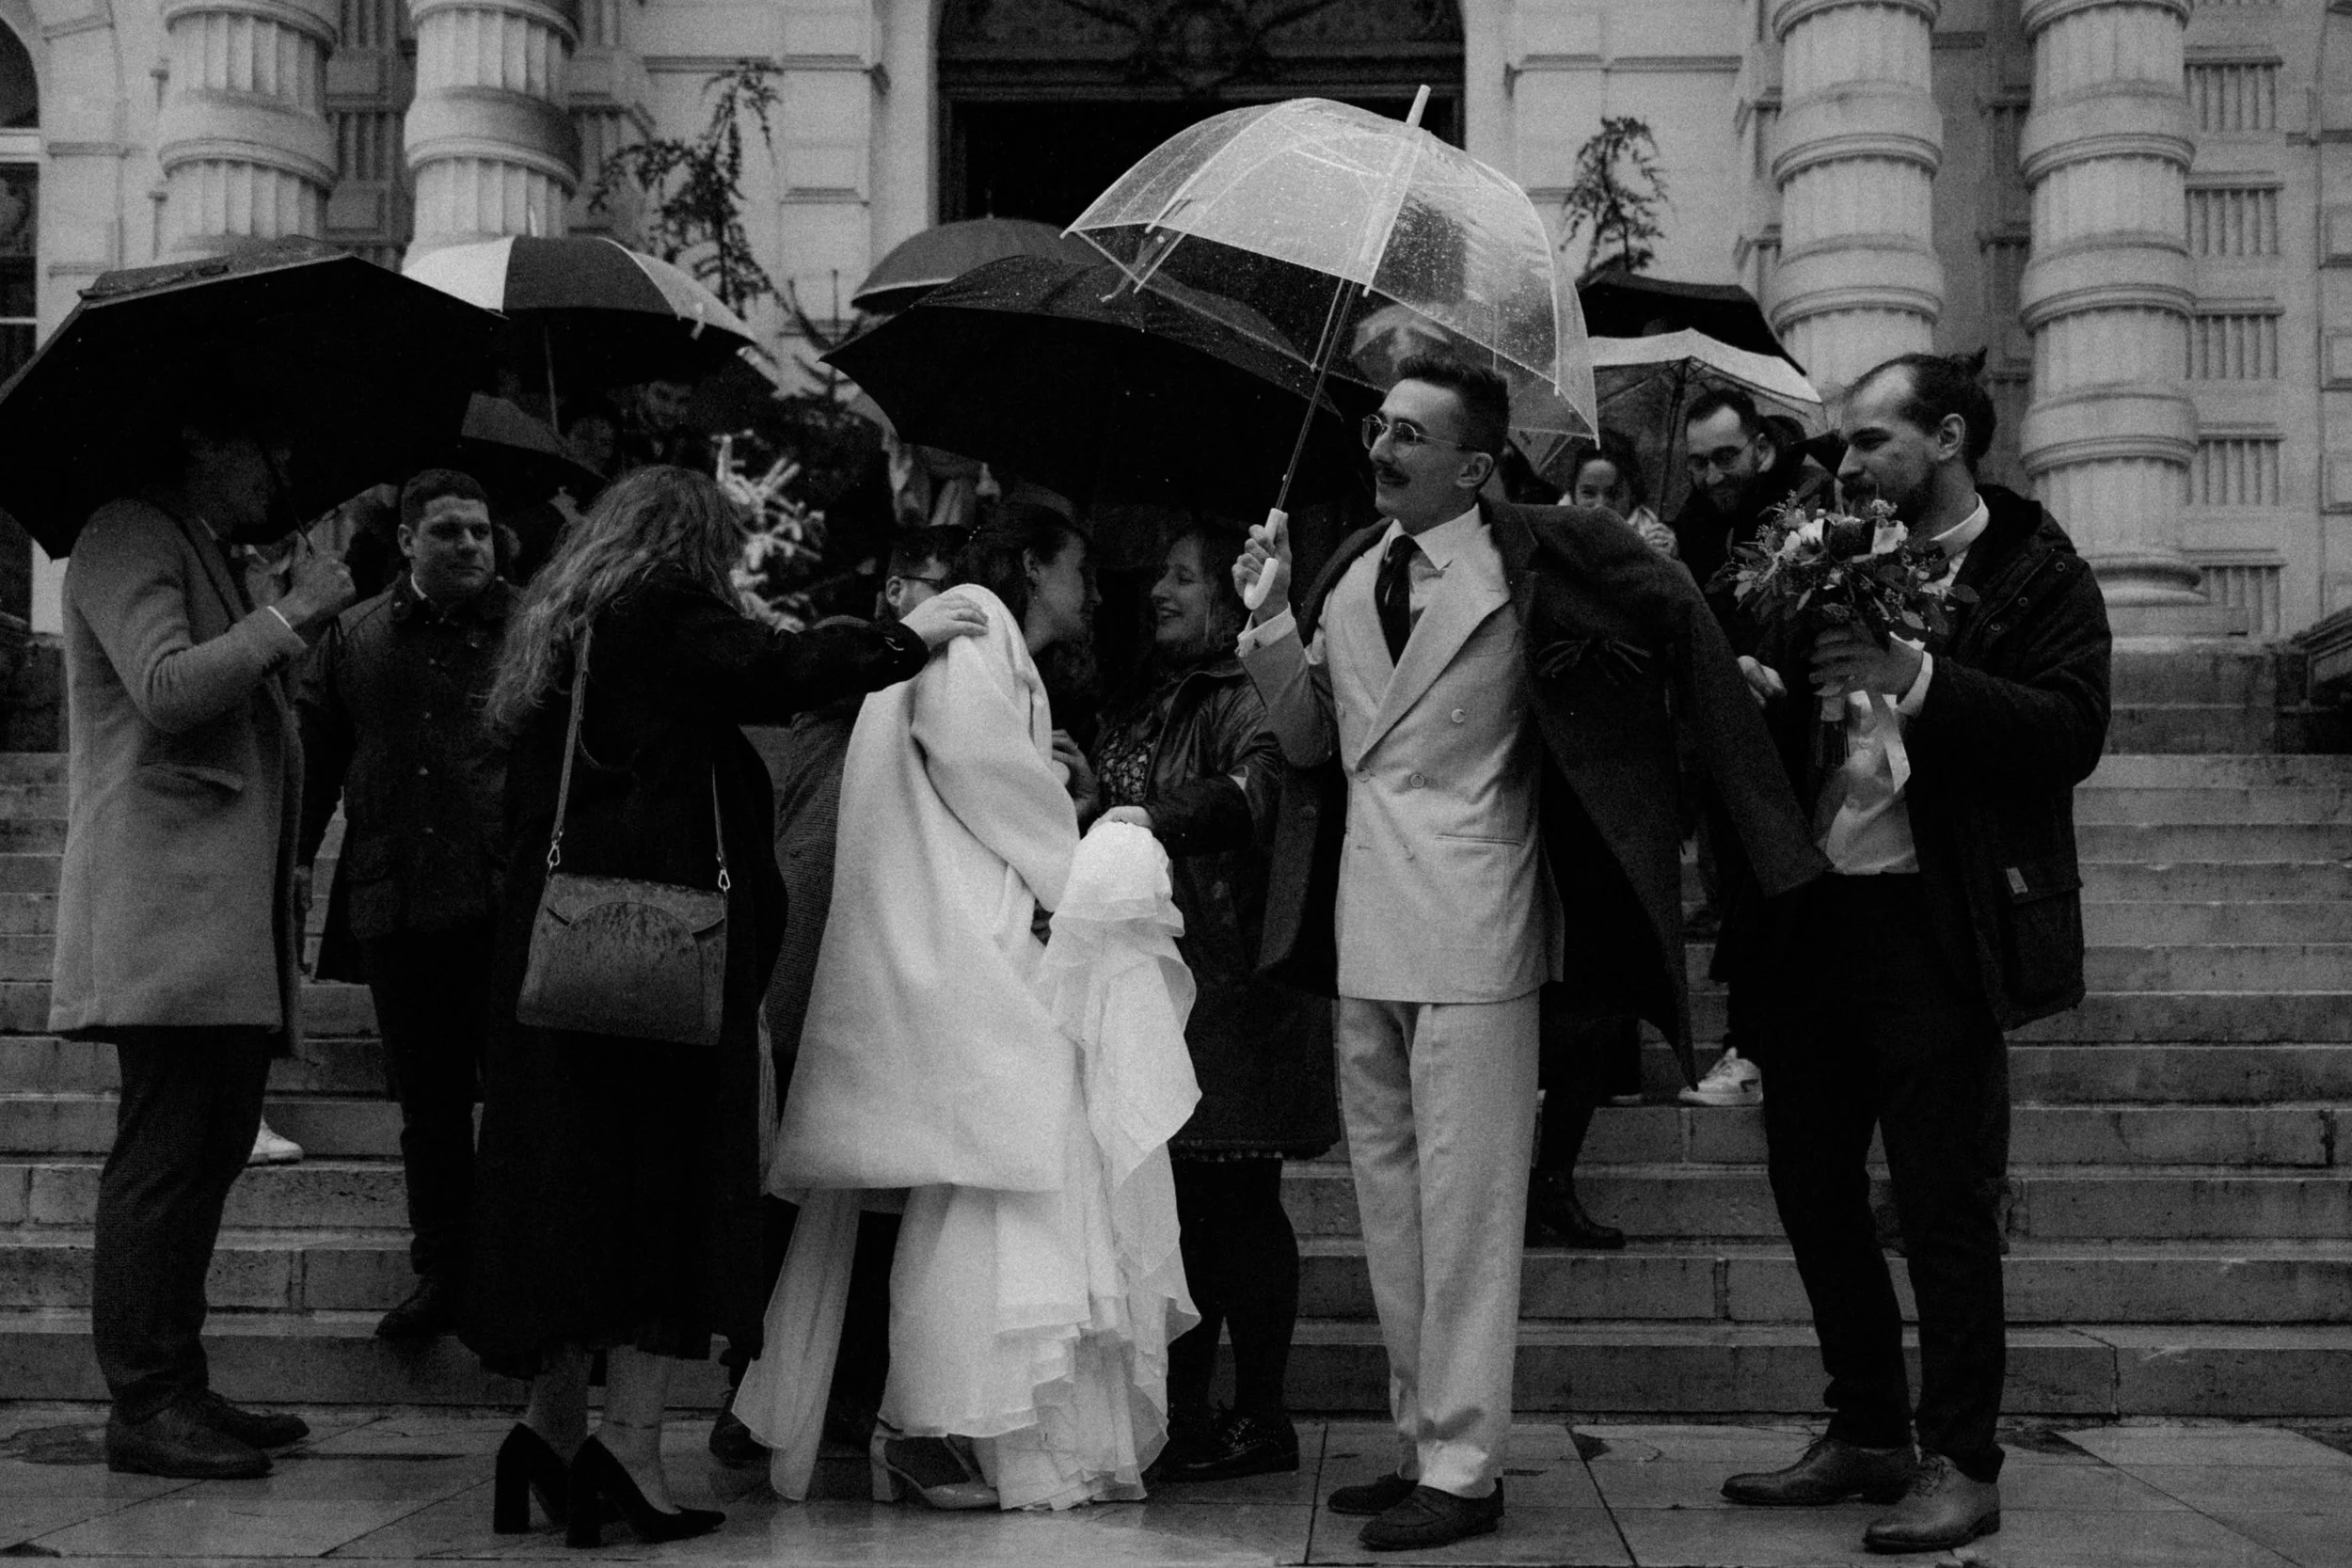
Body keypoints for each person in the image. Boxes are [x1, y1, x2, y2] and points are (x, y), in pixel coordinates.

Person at [1235, 356, 1825, 1551]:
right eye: (1376, 425)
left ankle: (1464, 1463)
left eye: (1410, 433)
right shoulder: (1349, 568)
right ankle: (1420, 1441)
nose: (1382, 447)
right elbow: (1309, 742)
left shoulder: (1532, 564)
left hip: (1478, 919)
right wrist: (1268, 616)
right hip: (1366, 927)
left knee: (1466, 1206)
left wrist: (1740, 745)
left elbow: (1668, 618)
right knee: (1392, 1208)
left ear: (1473, 464)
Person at [462, 466, 985, 1547]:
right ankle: (632, 1454)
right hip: (658, 974)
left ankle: (547, 1438)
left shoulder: (566, 631)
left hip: (558, 973)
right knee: (664, 1200)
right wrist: (909, 633)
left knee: (569, 1205)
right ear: (691, 542)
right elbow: (777, 667)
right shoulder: (658, 608)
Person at [1719, 354, 2110, 1554]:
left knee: (1942, 1203)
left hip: (1942, 926)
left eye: (1869, 443)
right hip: (1813, 917)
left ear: (1946, 438)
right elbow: (1783, 718)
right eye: (1839, 447)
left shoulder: (2039, 571)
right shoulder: (1811, 554)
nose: (1840, 467)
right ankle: (1868, 1428)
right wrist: (1753, 686)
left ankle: (1961, 1457)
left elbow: (2068, 731)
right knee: (1811, 1187)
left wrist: (1918, 676)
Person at [755, 503, 1195, 1513]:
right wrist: (1074, 861)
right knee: (988, 1173)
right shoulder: (975, 619)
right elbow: (976, 763)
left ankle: (956, 1422)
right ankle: (925, 1425)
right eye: (1077, 567)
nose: (1088, 591)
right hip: (965, 952)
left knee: (993, 1179)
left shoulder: (983, 635)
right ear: (1035, 565)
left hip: (963, 946)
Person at [52, 391, 357, 1479]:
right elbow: (169, 687)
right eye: (262, 443)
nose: (281, 464)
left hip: (214, 918)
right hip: (164, 911)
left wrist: (272, 604)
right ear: (199, 440)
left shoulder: (203, 544)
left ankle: (177, 1380)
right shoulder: (125, 530)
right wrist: (294, 614)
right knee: (166, 1154)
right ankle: (147, 1401)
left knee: (209, 1144)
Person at [706, 525, 967, 1469]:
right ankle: (751, 1388)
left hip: (887, 971)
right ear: (900, 589)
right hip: (806, 960)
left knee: (876, 1192)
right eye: (944, 590)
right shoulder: (847, 666)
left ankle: (848, 1392)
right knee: (785, 1187)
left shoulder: (950, 684)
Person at [1089, 522, 1338, 1485]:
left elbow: (1259, 792)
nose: (1160, 589)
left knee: (1237, 1206)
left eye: (1182, 576)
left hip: (1239, 987)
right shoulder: (1151, 695)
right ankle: (1186, 1410)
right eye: (1159, 571)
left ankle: (1259, 1412)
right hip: (1164, 987)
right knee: (1180, 1209)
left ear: (1233, 598)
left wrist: (1151, 815)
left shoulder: (1249, 695)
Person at [294, 468, 510, 1342]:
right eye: (450, 530)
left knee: (521, 1105)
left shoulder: (537, 628)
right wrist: (295, 863)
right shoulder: (356, 636)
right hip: (399, 904)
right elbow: (312, 759)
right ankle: (442, 1273)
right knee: (428, 1106)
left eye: (482, 531)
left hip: (506, 905)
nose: (469, 545)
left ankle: (519, 1282)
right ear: (409, 541)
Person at [1565, 431, 1673, 559]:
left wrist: (1669, 563)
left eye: (1613, 494)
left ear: (1632, 494)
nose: (1600, 506)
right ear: (1573, 492)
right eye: (1588, 493)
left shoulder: (1655, 546)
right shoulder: (1553, 539)